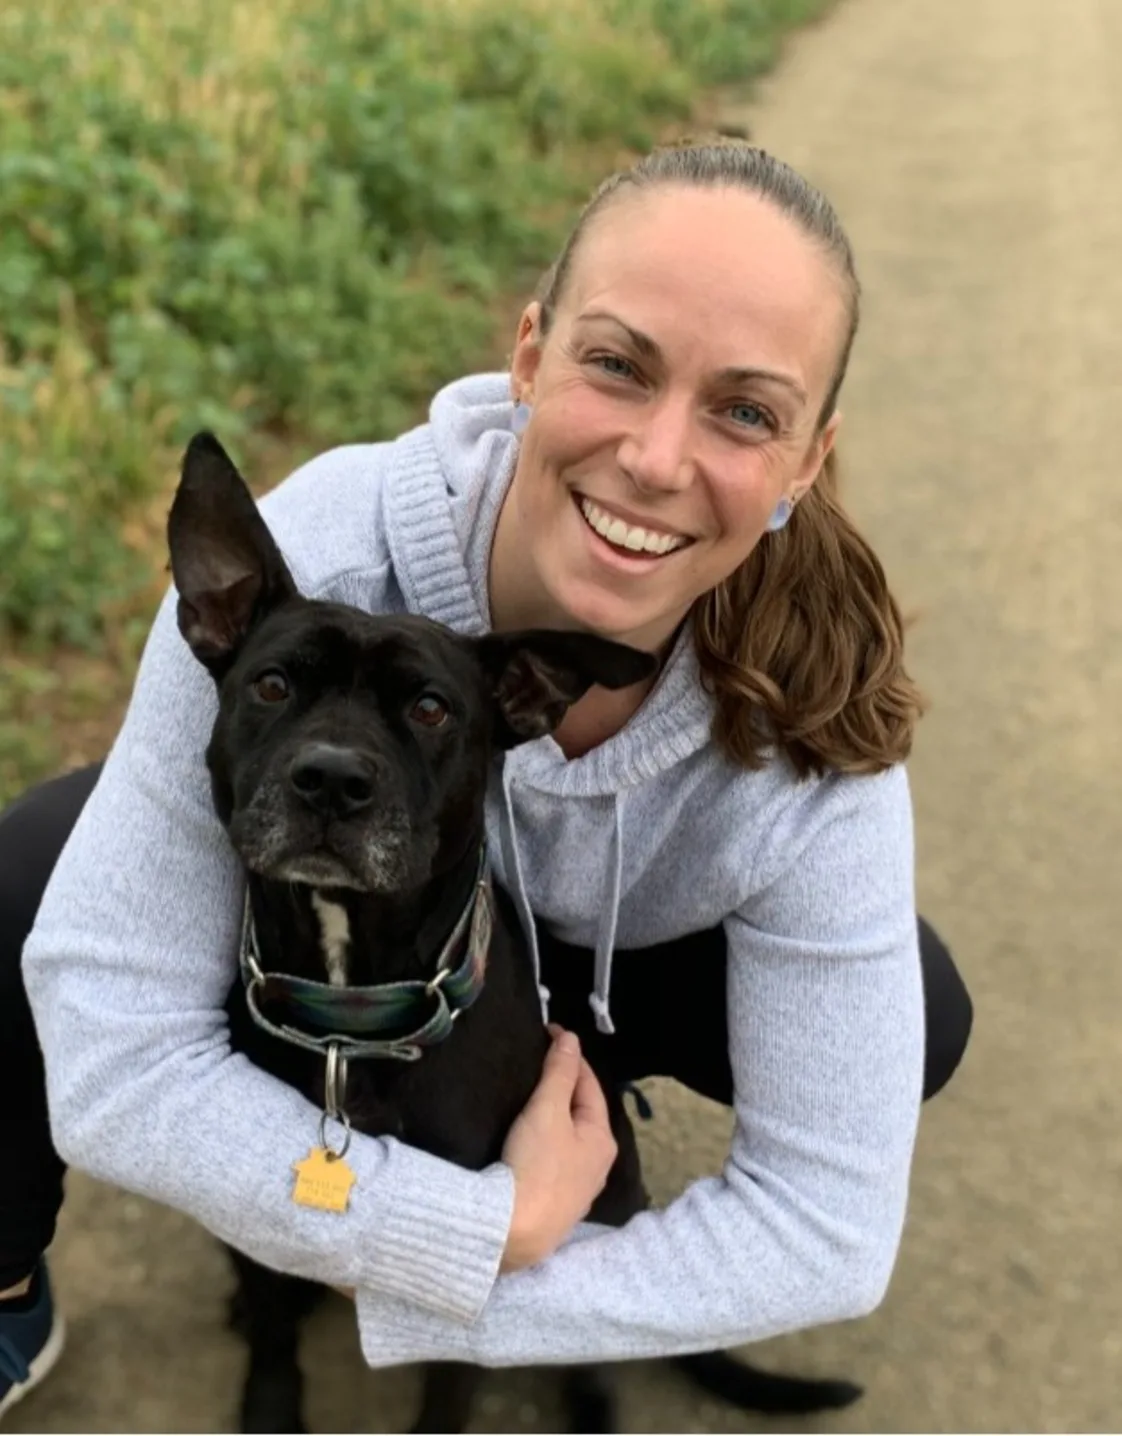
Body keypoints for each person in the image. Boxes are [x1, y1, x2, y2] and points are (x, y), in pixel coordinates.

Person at [3, 140, 971, 1405]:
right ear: (528, 355)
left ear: (805, 461)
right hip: (354, 938)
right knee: (32, 873)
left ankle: (571, 1090)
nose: (657, 459)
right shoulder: (315, 549)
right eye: (618, 364)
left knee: (917, 1010)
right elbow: (115, 1058)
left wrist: (482, 1283)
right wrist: (458, 1229)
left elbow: (824, 1230)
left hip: (615, 967)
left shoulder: (817, 708)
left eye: (745, 411)